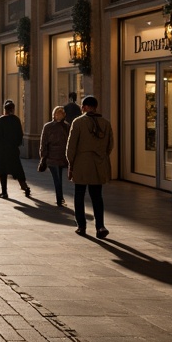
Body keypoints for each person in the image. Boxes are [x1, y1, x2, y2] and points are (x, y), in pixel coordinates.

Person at [66, 95, 114, 238]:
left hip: (81, 163)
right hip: (99, 164)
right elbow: (110, 144)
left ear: (85, 107)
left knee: (79, 195)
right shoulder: (105, 123)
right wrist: (102, 156)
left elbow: (71, 146)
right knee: (97, 196)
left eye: (82, 106)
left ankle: (81, 226)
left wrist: (71, 163)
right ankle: (100, 226)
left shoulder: (78, 122)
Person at [0, 100, 30, 199]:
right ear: (13, 109)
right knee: (17, 169)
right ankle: (24, 186)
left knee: (3, 171)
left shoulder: (0, 120)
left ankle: (4, 192)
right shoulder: (16, 120)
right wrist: (16, 145)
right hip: (13, 150)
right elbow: (20, 135)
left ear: (4, 109)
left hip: (2, 150)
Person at [39, 106, 70, 207]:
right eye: (57, 113)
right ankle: (59, 198)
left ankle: (60, 198)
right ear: (54, 115)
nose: (59, 115)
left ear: (64, 115)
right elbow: (43, 142)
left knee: (59, 177)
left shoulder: (66, 126)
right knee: (57, 178)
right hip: (52, 157)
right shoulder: (48, 126)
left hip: (61, 157)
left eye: (61, 113)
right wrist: (43, 156)